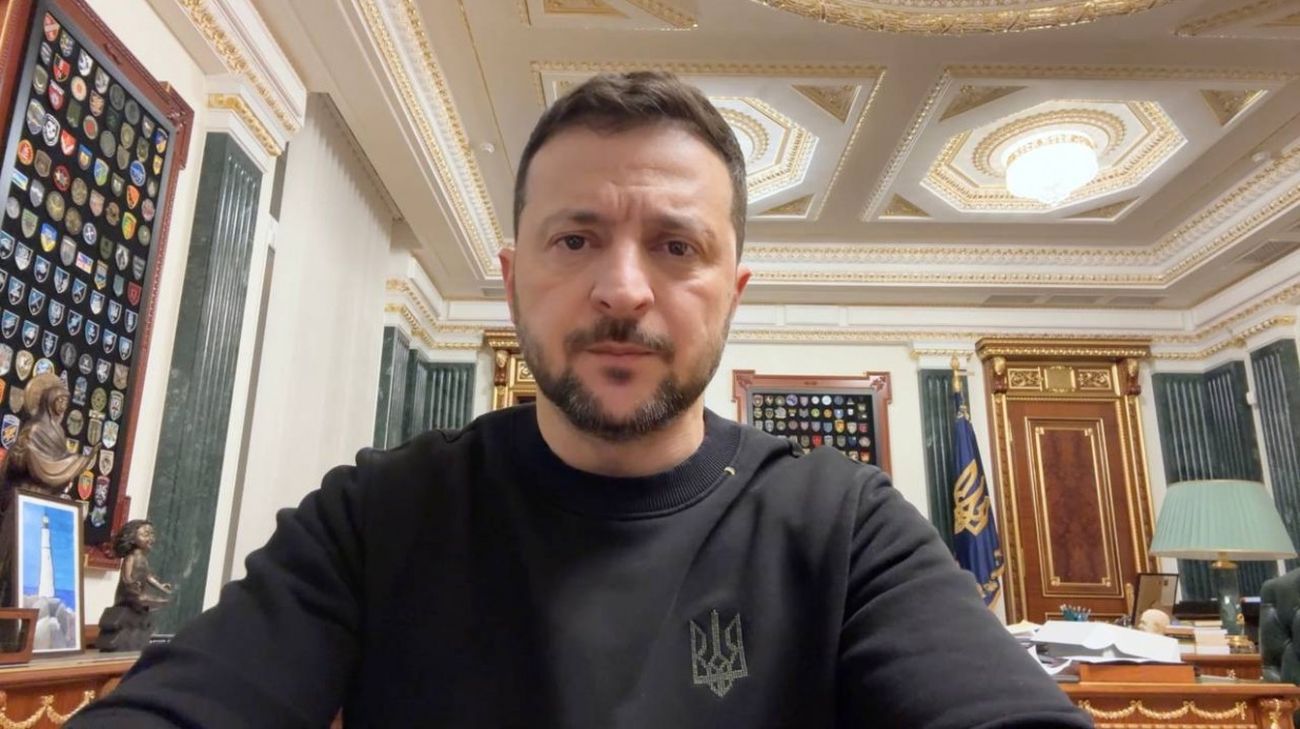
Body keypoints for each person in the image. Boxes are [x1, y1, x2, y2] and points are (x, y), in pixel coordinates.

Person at [71, 72, 1090, 728]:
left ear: (732, 294)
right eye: (575, 239)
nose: (623, 290)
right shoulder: (377, 517)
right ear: (515, 279)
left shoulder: (845, 524)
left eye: (676, 245)